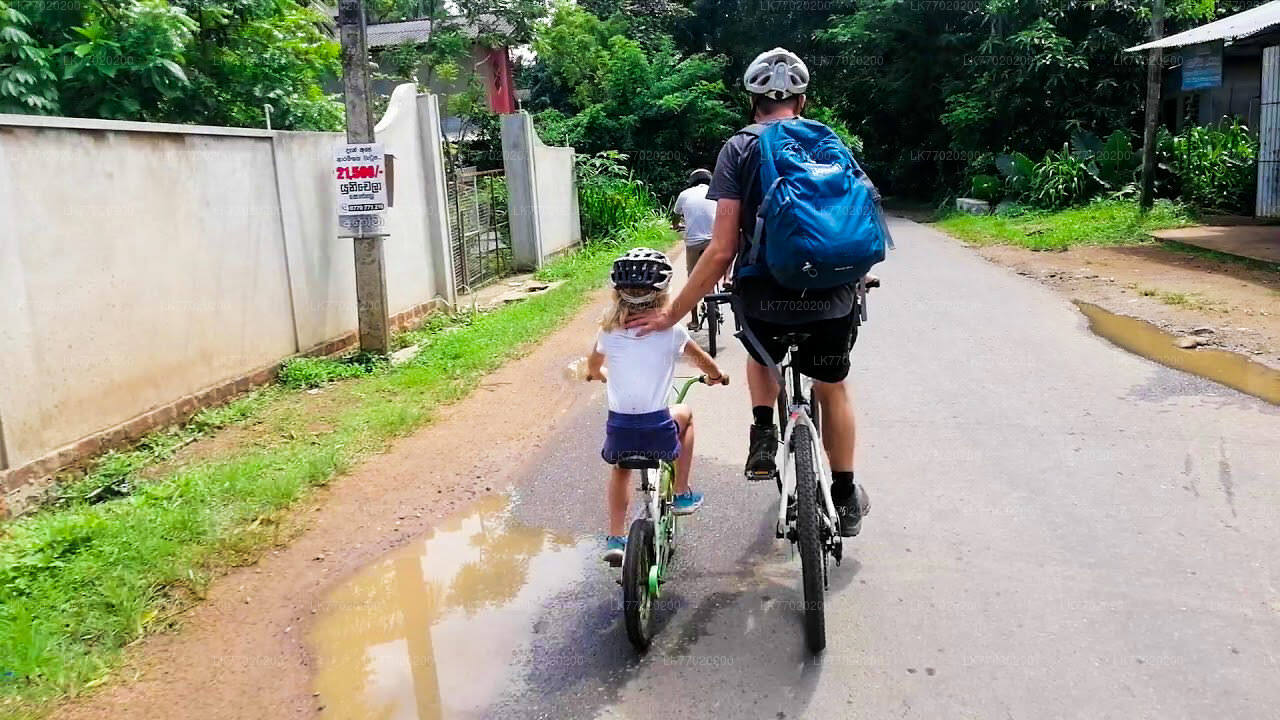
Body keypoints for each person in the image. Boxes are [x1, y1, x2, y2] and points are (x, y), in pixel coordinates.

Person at [626, 47, 871, 538]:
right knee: (832, 385)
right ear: (802, 100)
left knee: (761, 354)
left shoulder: (738, 148)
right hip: (833, 295)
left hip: (764, 298)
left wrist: (673, 314)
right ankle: (844, 492)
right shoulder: (830, 143)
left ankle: (763, 430)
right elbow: (856, 222)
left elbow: (719, 251)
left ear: (751, 101)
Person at [586, 248, 727, 566]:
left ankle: (615, 537)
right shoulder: (671, 330)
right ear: (663, 293)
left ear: (617, 293)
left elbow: (593, 368)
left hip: (620, 432)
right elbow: (703, 362)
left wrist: (598, 374)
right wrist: (718, 376)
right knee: (686, 415)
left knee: (620, 471)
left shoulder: (607, 331)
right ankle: (680, 493)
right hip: (658, 432)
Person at [671, 168, 719, 330]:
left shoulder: (684, 194)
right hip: (714, 242)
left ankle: (694, 320)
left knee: (692, 281)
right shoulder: (716, 192)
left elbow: (676, 215)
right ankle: (726, 280)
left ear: (692, 181)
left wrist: (676, 226)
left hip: (693, 243)